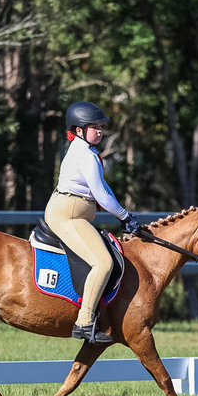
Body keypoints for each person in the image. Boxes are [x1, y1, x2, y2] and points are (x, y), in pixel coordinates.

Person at [44, 101, 142, 344]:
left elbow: (103, 188)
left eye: (100, 126)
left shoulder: (85, 152)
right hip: (69, 214)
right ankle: (85, 322)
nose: (99, 130)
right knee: (103, 263)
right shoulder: (85, 155)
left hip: (74, 212)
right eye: (93, 127)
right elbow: (100, 194)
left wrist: (122, 213)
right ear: (79, 130)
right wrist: (124, 216)